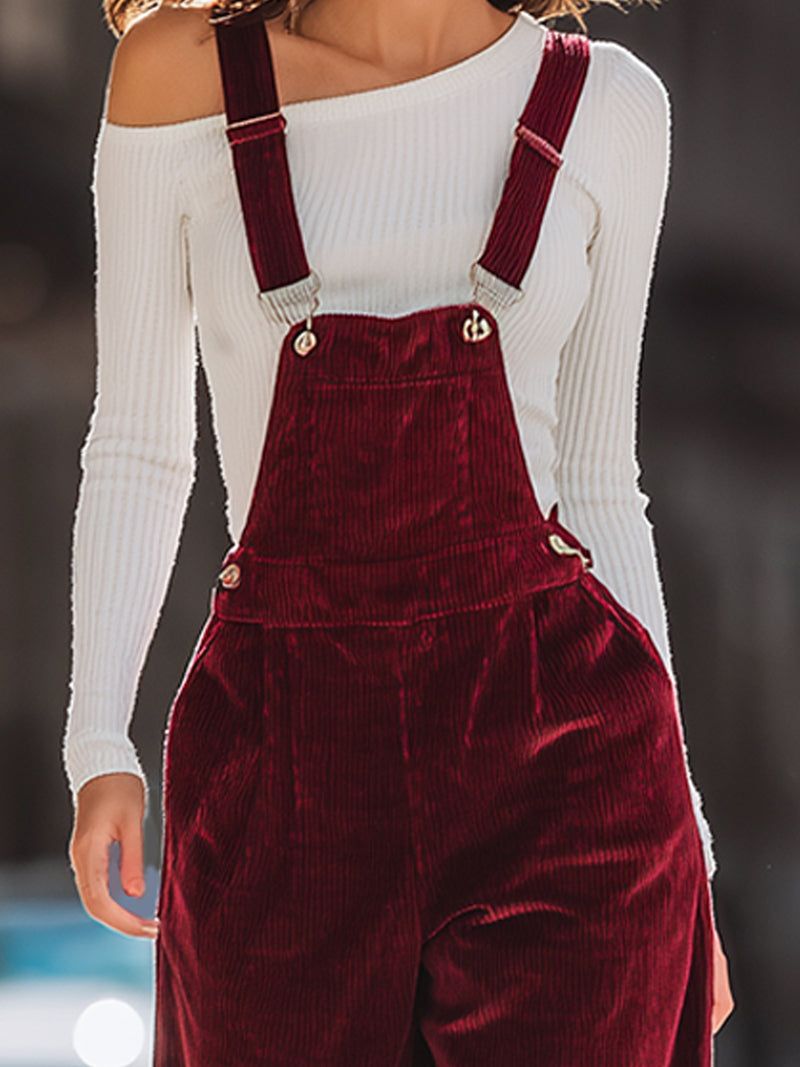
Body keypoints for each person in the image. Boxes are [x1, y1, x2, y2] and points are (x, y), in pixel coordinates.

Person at [64, 0, 734, 1062]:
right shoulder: (175, 73)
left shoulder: (606, 105)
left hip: (568, 773)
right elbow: (139, 444)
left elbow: (601, 485)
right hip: (275, 766)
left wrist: (685, 838)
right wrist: (100, 741)